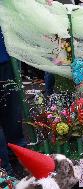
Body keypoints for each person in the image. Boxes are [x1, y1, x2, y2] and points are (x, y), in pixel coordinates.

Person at [0, 27, 26, 175]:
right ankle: (6, 170)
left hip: (6, 57)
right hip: (6, 57)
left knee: (12, 113)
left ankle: (17, 159)